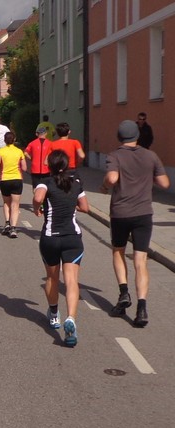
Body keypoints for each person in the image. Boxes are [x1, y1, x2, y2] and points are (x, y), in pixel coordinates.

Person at [101, 120, 170, 327]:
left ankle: (124, 293)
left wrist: (104, 185)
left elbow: (112, 178)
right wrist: (149, 177)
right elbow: (165, 183)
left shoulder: (115, 155)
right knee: (141, 260)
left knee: (118, 251)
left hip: (121, 213)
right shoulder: (151, 155)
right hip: (143, 214)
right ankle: (142, 308)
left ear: (119, 137)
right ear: (137, 136)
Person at [33, 150, 89, 347]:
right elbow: (86, 207)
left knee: (52, 278)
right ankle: (71, 318)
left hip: (51, 238)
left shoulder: (45, 183)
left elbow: (38, 198)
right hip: (72, 238)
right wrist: (72, 206)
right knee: (71, 280)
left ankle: (54, 314)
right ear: (66, 165)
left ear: (50, 165)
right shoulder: (76, 183)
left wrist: (37, 208)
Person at [0, 132, 27, 238]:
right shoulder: (19, 151)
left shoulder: (0, 151)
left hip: (4, 179)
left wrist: (0, 169)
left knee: (6, 202)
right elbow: (24, 168)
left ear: (4, 140)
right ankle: (13, 228)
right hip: (17, 179)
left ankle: (7, 223)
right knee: (15, 204)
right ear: (14, 139)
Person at [24, 126, 53, 192]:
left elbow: (25, 153)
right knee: (46, 187)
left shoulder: (32, 143)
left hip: (35, 169)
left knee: (35, 187)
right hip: (46, 169)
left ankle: (36, 197)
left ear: (37, 134)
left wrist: (31, 158)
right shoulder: (50, 143)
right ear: (46, 133)